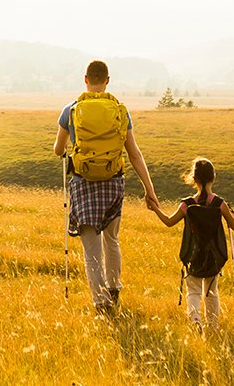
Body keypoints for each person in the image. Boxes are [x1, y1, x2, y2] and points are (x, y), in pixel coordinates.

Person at [51, 60, 160, 314]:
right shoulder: (120, 110)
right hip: (113, 183)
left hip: (83, 183)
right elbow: (134, 154)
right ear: (107, 80)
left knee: (91, 250)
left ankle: (101, 303)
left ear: (85, 79)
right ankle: (114, 289)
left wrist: (66, 147)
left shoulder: (70, 110)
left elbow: (58, 149)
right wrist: (149, 189)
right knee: (112, 239)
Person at [149, 157, 234, 330]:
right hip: (214, 256)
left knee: (193, 291)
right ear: (213, 178)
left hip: (193, 255)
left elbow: (169, 221)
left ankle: (195, 319)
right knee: (211, 293)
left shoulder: (187, 204)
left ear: (194, 179)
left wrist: (155, 208)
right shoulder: (219, 204)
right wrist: (231, 215)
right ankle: (213, 327)